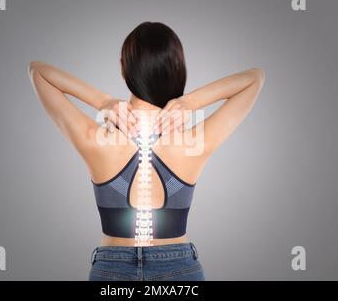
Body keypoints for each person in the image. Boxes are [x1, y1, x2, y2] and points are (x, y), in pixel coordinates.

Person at [27, 21, 265, 281]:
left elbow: (37, 70)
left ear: (123, 66)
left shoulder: (97, 138)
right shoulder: (192, 141)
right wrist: (191, 102)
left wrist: (103, 101)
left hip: (112, 270)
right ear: (177, 70)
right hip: (178, 268)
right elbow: (254, 78)